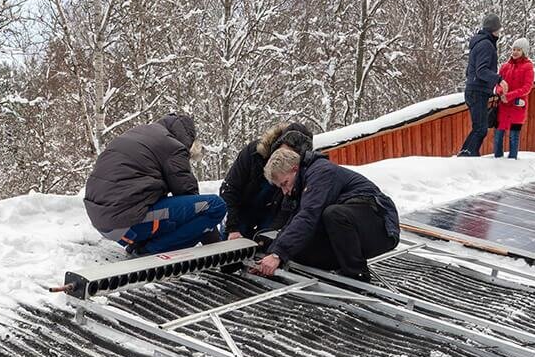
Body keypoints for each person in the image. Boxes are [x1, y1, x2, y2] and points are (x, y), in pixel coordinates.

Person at [83, 113, 226, 255]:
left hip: (103, 223)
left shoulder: (138, 134)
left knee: (164, 205)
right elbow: (189, 195)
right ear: (190, 139)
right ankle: (151, 250)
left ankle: (141, 243)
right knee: (215, 206)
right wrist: (215, 243)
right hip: (126, 221)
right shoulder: (173, 146)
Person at [250, 146, 399, 282]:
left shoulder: (321, 172)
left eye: (285, 183)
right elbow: (294, 223)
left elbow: (308, 216)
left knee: (333, 215)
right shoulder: (302, 184)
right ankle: (340, 269)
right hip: (356, 232)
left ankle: (357, 275)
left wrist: (278, 255)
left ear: (295, 169)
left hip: (380, 229)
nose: (285, 191)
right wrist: (273, 254)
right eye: (280, 187)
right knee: (299, 248)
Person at [219, 122, 312, 240]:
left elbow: (290, 206)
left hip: (272, 213)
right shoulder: (253, 153)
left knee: (267, 243)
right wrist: (232, 228)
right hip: (240, 209)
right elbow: (229, 189)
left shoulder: (301, 168)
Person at [456, 12, 507, 157]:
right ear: (494, 29)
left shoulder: (479, 43)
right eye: (498, 29)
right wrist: (499, 79)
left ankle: (468, 153)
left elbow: (470, 71)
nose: (499, 32)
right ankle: (467, 155)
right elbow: (481, 70)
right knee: (481, 128)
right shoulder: (486, 45)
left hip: (475, 90)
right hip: (477, 91)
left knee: (479, 127)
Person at [494, 38, 535, 159]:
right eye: (514, 49)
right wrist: (501, 93)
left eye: (518, 50)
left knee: (514, 136)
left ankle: (512, 162)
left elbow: (527, 87)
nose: (515, 52)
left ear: (524, 52)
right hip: (503, 107)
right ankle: (497, 160)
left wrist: (509, 96)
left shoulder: (528, 67)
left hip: (517, 108)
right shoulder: (504, 67)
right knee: (498, 136)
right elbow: (497, 84)